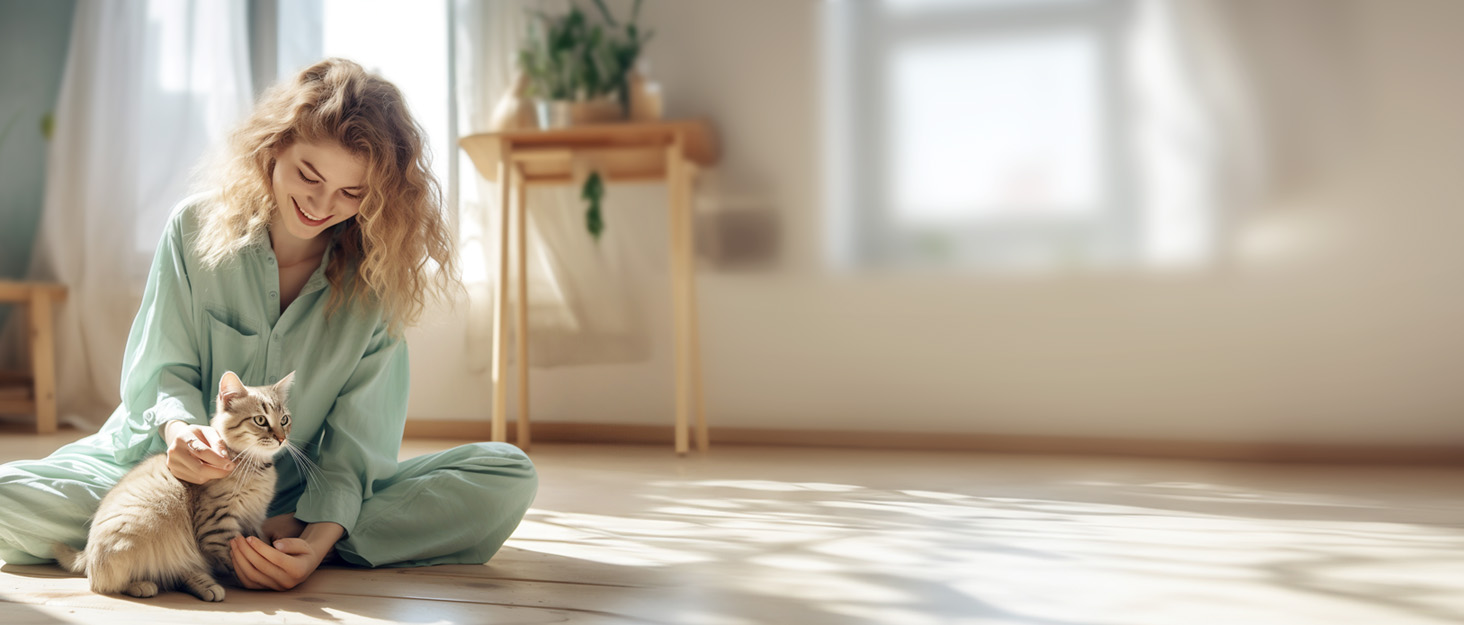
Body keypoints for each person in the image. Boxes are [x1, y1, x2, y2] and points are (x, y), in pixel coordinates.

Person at [0, 58, 537, 589]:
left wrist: (318, 537)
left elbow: (357, 448)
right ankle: (212, 543)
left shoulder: (375, 281)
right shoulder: (192, 228)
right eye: (309, 175)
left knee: (508, 477)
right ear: (274, 148)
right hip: (156, 479)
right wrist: (182, 435)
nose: (323, 205)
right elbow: (160, 372)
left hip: (291, 489)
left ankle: (269, 539)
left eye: (353, 193)